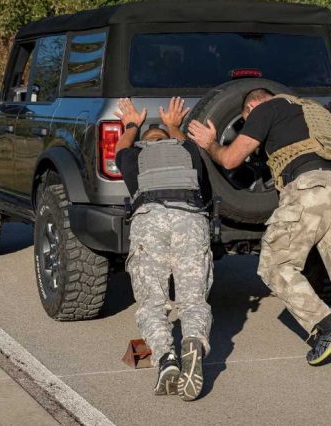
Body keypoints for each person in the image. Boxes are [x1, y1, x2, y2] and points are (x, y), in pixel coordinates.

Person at [189, 89, 331, 385]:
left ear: (252, 105)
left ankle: (325, 326)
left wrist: (210, 144)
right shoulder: (316, 113)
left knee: (276, 266)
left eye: (247, 119)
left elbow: (231, 159)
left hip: (312, 186)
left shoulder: (265, 108)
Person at [115, 97, 213, 400]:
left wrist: (132, 125)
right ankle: (192, 341)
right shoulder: (187, 152)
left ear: (145, 143)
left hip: (150, 218)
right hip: (190, 217)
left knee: (152, 303)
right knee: (193, 300)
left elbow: (120, 150)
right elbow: (188, 145)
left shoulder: (135, 157)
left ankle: (166, 359)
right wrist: (174, 126)